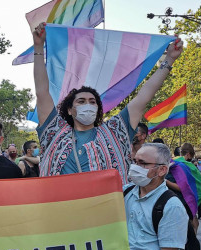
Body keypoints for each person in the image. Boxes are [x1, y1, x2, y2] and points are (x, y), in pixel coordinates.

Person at [32, 22, 183, 184]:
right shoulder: (54, 131)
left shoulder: (116, 131)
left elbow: (143, 97)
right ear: (69, 110)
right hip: (57, 208)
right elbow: (42, 92)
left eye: (92, 102)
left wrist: (169, 60)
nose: (87, 105)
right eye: (81, 101)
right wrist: (38, 47)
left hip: (106, 209)